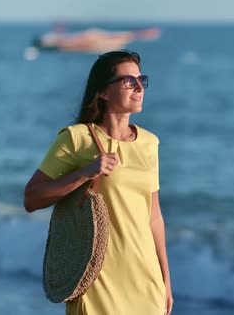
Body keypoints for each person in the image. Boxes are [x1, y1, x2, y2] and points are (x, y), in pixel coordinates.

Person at [24, 50, 173, 315]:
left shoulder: (150, 143)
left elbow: (154, 218)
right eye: (129, 81)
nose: (139, 88)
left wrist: (165, 282)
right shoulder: (76, 138)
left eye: (142, 80)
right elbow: (32, 198)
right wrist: (85, 173)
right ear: (104, 92)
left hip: (145, 283)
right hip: (95, 281)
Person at [32, 27, 161, 53]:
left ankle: (147, 32)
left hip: (91, 37)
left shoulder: (61, 42)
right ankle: (147, 32)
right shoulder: (64, 43)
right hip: (91, 38)